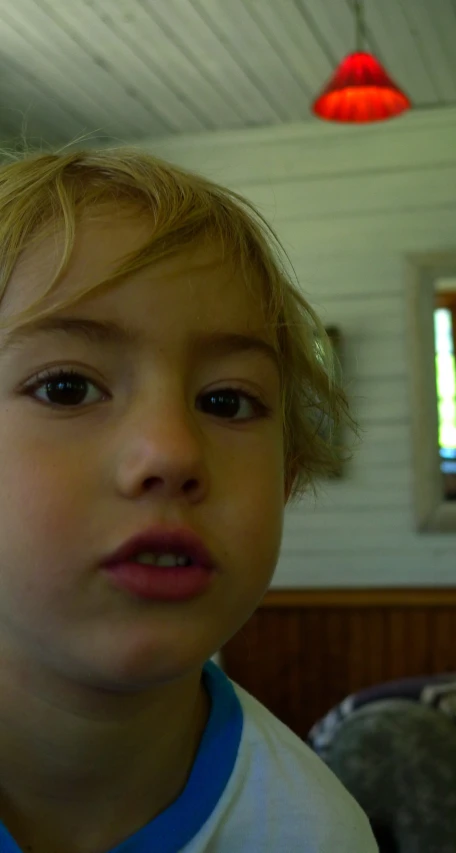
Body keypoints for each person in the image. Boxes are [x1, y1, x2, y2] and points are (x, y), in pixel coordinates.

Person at [0, 147, 377, 853]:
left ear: (289, 477)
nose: (172, 451)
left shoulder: (315, 835)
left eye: (226, 401)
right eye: (67, 387)